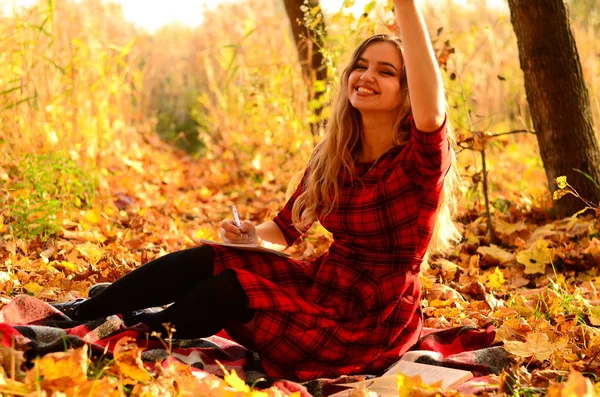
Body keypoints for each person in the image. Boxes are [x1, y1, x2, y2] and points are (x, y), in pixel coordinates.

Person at [51, 0, 461, 382]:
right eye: (361, 65)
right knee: (214, 258)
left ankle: (126, 339)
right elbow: (284, 231)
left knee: (231, 288)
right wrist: (251, 237)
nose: (367, 76)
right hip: (324, 283)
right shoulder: (336, 153)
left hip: (368, 320)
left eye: (386, 71)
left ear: (407, 92)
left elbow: (433, 109)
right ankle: (86, 314)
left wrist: (404, 4)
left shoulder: (419, 161)